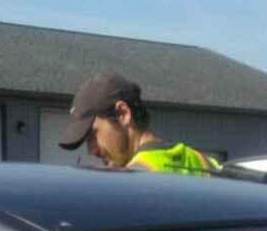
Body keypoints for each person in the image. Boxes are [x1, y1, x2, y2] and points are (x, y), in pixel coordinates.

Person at [58, 73, 221, 174]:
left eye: (93, 135)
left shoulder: (135, 186)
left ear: (123, 114)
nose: (91, 150)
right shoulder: (201, 162)